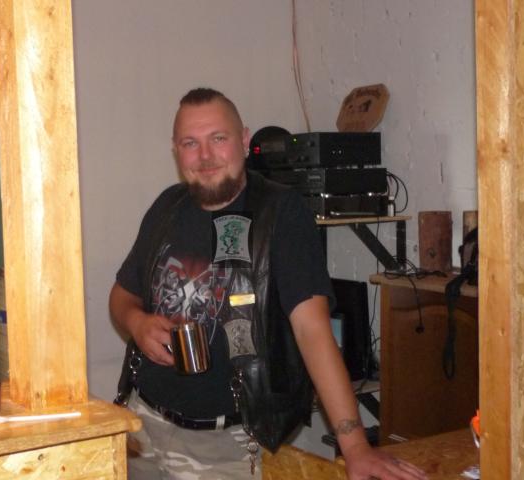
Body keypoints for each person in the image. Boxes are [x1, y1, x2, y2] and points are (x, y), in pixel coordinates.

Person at [109, 87, 427, 480]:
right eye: (190, 143)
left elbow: (312, 330)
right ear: (176, 150)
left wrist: (356, 446)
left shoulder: (282, 214)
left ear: (244, 141)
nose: (205, 156)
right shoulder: (166, 207)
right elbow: (122, 295)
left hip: (222, 447)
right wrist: (137, 322)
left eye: (218, 139)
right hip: (141, 427)